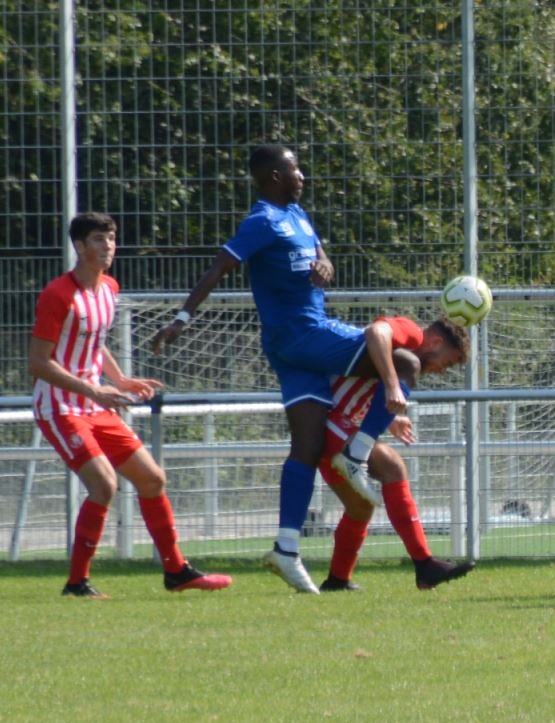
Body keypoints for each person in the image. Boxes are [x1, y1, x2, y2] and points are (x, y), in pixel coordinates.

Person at [151, 145, 408, 594]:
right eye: (295, 169)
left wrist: (325, 265)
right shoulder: (262, 221)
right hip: (302, 334)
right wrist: (182, 319)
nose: (302, 175)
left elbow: (321, 256)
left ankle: (286, 549)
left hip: (290, 349)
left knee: (306, 447)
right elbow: (219, 268)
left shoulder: (297, 215)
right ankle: (357, 452)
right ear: (274, 176)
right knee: (404, 361)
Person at [31, 213, 232, 598]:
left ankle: (177, 571)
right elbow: (39, 364)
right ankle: (77, 583)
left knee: (152, 479)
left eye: (111, 238)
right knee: (104, 485)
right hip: (60, 408)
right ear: (79, 246)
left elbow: (93, 341)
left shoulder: (109, 287)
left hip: (94, 404)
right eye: (98, 239)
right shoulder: (58, 294)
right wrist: (94, 391)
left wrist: (120, 380)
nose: (108, 246)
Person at [316, 315, 477, 591]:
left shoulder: (399, 358)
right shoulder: (411, 333)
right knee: (391, 466)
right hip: (329, 420)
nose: (442, 371)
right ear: (435, 341)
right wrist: (392, 386)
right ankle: (424, 564)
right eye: (447, 362)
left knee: (361, 507)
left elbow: (365, 380)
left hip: (338, 423)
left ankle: (338, 580)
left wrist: (388, 418)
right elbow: (375, 331)